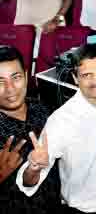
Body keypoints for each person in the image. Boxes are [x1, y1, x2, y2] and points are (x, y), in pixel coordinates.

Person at [16, 44, 96, 214]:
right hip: (85, 209)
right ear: (75, 78)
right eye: (86, 75)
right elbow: (27, 182)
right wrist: (33, 168)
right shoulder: (61, 120)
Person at [0, 45, 60, 214]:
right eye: (0, 81)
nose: (10, 88)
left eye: (16, 77)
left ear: (26, 76)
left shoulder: (44, 109)